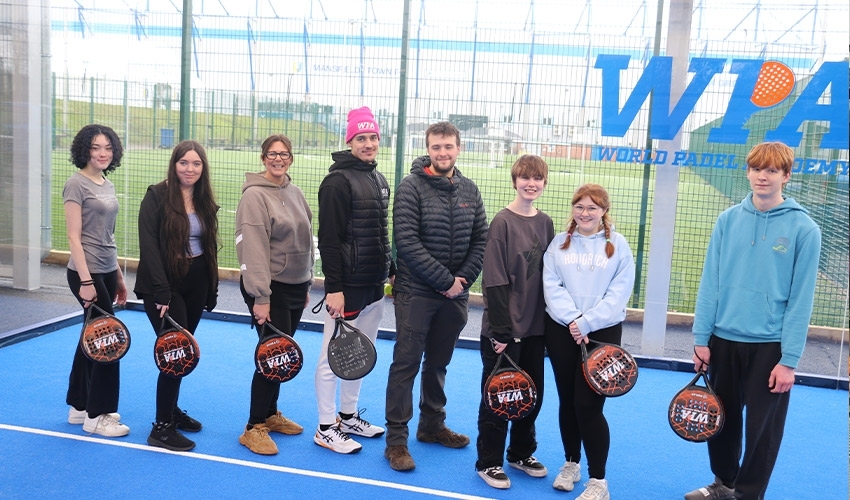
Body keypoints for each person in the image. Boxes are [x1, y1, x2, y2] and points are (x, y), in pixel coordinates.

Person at [685, 142, 821, 500]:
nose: (763, 176)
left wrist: (788, 360)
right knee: (721, 420)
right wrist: (702, 337)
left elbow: (801, 300)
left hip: (770, 347)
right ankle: (723, 484)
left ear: (786, 176)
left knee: (763, 431)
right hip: (723, 340)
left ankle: (747, 495)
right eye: (757, 169)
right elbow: (710, 281)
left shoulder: (804, 229)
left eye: (772, 170)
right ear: (748, 172)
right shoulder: (727, 220)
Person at [384, 121, 488, 471]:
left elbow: (481, 240)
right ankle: (396, 441)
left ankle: (431, 425)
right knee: (406, 365)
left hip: (455, 296)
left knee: (438, 364)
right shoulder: (410, 187)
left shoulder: (470, 190)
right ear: (428, 149)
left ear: (458, 148)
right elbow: (407, 243)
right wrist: (445, 281)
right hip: (417, 294)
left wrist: (461, 281)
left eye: (449, 147)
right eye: (436, 147)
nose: (443, 153)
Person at [542, 183, 635, 500]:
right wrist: (572, 320)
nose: (585, 213)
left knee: (589, 405)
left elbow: (619, 294)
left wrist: (587, 323)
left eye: (592, 208)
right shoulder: (559, 244)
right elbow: (551, 287)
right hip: (562, 331)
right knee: (568, 401)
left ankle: (599, 482)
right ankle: (571, 463)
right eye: (579, 207)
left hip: (603, 333)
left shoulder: (618, 246)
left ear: (603, 211)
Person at [314, 107, 393, 454]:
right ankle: (325, 426)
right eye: (361, 138)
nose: (368, 143)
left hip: (374, 288)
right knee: (333, 359)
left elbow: (380, 233)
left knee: (360, 355)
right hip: (346, 290)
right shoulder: (336, 182)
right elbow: (328, 239)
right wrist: (334, 288)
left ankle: (347, 417)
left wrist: (389, 269)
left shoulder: (378, 179)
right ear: (350, 141)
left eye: (373, 137)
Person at [474, 155, 554, 489]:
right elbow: (493, 280)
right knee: (499, 397)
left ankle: (521, 453)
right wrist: (502, 331)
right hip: (505, 332)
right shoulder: (502, 223)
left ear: (544, 183)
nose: (531, 184)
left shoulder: (546, 222)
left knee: (531, 396)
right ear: (515, 181)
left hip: (537, 329)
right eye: (525, 178)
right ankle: (488, 462)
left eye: (537, 178)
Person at [135, 140, 219, 452]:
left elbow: (209, 245)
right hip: (164, 285)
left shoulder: (203, 198)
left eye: (196, 164)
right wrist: (161, 291)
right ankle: (161, 427)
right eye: (184, 163)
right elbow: (150, 247)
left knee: (184, 354)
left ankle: (171, 410)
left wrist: (211, 288)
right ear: (174, 164)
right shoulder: (156, 196)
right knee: (176, 353)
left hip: (195, 283)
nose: (190, 169)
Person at [235, 134, 315, 455]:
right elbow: (252, 250)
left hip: (295, 287)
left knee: (282, 356)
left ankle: (270, 414)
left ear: (291, 158)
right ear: (263, 157)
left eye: (284, 154)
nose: (278, 159)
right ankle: (253, 426)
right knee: (272, 356)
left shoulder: (294, 192)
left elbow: (307, 238)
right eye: (272, 154)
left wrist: (307, 281)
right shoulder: (254, 196)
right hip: (270, 289)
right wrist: (261, 296)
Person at [63, 124, 130, 437]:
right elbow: (74, 238)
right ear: (84, 151)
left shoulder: (106, 183)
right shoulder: (75, 185)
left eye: (107, 148)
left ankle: (78, 407)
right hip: (83, 272)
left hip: (104, 270)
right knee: (109, 340)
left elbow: (108, 236)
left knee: (91, 337)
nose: (102, 153)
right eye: (95, 148)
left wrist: (116, 276)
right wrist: (88, 282)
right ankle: (97, 415)